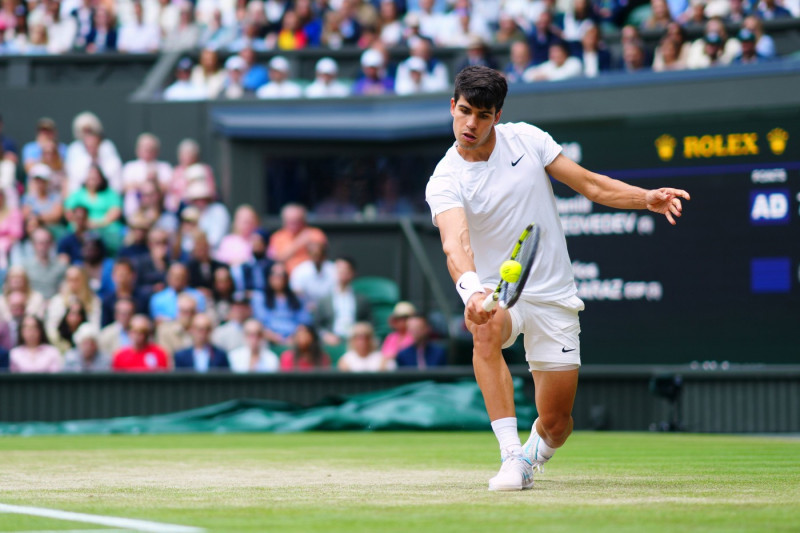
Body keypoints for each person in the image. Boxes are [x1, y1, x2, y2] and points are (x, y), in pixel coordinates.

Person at [425, 66, 689, 491]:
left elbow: (590, 186)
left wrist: (647, 199)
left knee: (557, 424)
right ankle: (510, 454)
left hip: (554, 295)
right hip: (499, 295)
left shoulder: (528, 140)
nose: (471, 124)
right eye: (465, 111)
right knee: (484, 327)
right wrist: (472, 291)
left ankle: (531, 456)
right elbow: (455, 244)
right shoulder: (444, 179)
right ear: (452, 106)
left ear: (498, 115)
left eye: (483, 115)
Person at [314, 256, 372, 347]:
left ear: (352, 273)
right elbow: (317, 325)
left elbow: (369, 323)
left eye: (345, 270)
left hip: (356, 343)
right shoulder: (324, 300)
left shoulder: (361, 299)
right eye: (338, 269)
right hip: (331, 342)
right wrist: (325, 335)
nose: (341, 273)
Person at [252, 261, 311, 345]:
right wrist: (278, 339)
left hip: (294, 342)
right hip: (268, 342)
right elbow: (260, 324)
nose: (278, 278)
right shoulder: (259, 298)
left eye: (282, 275)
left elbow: (304, 322)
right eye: (275, 274)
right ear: (269, 277)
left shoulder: (297, 298)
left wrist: (293, 338)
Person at [268, 203, 326, 274]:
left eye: (297, 221)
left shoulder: (315, 233)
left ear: (303, 220)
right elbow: (278, 258)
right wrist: (298, 242)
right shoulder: (277, 237)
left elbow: (320, 255)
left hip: (310, 275)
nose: (293, 224)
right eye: (290, 221)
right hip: (286, 278)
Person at [22, 227, 67, 300]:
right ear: (33, 244)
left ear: (52, 244)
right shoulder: (25, 267)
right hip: (32, 303)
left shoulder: (61, 267)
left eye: (47, 242)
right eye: (40, 243)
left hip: (54, 304)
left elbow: (64, 289)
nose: (43, 246)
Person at [289, 240, 336, 308]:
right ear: (309, 255)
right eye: (314, 255)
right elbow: (296, 291)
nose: (317, 259)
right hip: (306, 306)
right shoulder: (300, 270)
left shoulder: (332, 269)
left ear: (324, 256)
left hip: (329, 306)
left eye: (320, 255)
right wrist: (307, 303)